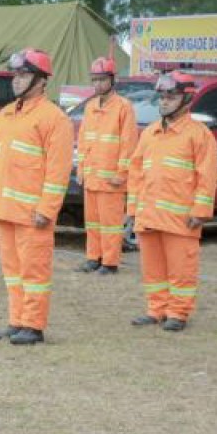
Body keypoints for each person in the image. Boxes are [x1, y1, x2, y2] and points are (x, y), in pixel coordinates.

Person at [0, 49, 73, 344]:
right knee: (12, 271)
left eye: (23, 75)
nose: (16, 81)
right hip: (6, 208)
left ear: (40, 80)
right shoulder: (5, 115)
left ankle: (33, 325)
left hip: (33, 213)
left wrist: (47, 209)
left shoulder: (54, 118)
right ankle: (17, 319)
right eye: (15, 75)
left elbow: (58, 172)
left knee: (34, 272)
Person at [125, 71, 217, 333]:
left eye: (171, 96)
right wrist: (133, 209)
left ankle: (178, 312)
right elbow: (135, 171)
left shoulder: (199, 135)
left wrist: (200, 211)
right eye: (162, 96)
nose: (164, 101)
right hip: (149, 215)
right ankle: (156, 309)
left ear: (186, 98)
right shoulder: (150, 133)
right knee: (153, 268)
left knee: (181, 269)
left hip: (180, 218)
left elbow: (206, 176)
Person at [76, 57, 139, 275]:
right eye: (94, 80)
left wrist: (122, 174)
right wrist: (81, 169)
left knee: (110, 223)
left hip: (111, 179)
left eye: (102, 79)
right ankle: (93, 258)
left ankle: (110, 262)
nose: (97, 84)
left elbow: (128, 143)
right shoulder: (91, 106)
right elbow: (83, 139)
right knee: (92, 223)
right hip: (92, 177)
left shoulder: (123, 107)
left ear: (112, 80)